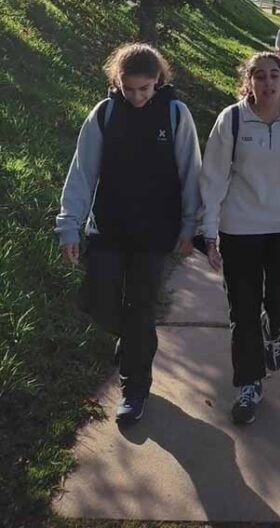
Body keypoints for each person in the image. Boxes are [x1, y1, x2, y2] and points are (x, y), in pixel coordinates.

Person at [55, 43, 201, 425]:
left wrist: (190, 226)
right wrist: (69, 225)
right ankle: (134, 339)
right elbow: (82, 173)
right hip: (109, 228)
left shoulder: (174, 114)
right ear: (116, 81)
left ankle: (135, 387)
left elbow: (191, 174)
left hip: (155, 233)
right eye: (128, 88)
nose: (137, 96)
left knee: (141, 308)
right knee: (98, 300)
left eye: (144, 88)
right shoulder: (104, 114)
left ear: (158, 81)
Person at [199, 52, 280, 425]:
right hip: (240, 227)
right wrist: (209, 230)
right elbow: (213, 177)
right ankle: (249, 384)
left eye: (274, 75)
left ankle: (274, 326)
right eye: (259, 76)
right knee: (242, 310)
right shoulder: (233, 119)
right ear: (248, 80)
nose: (267, 83)